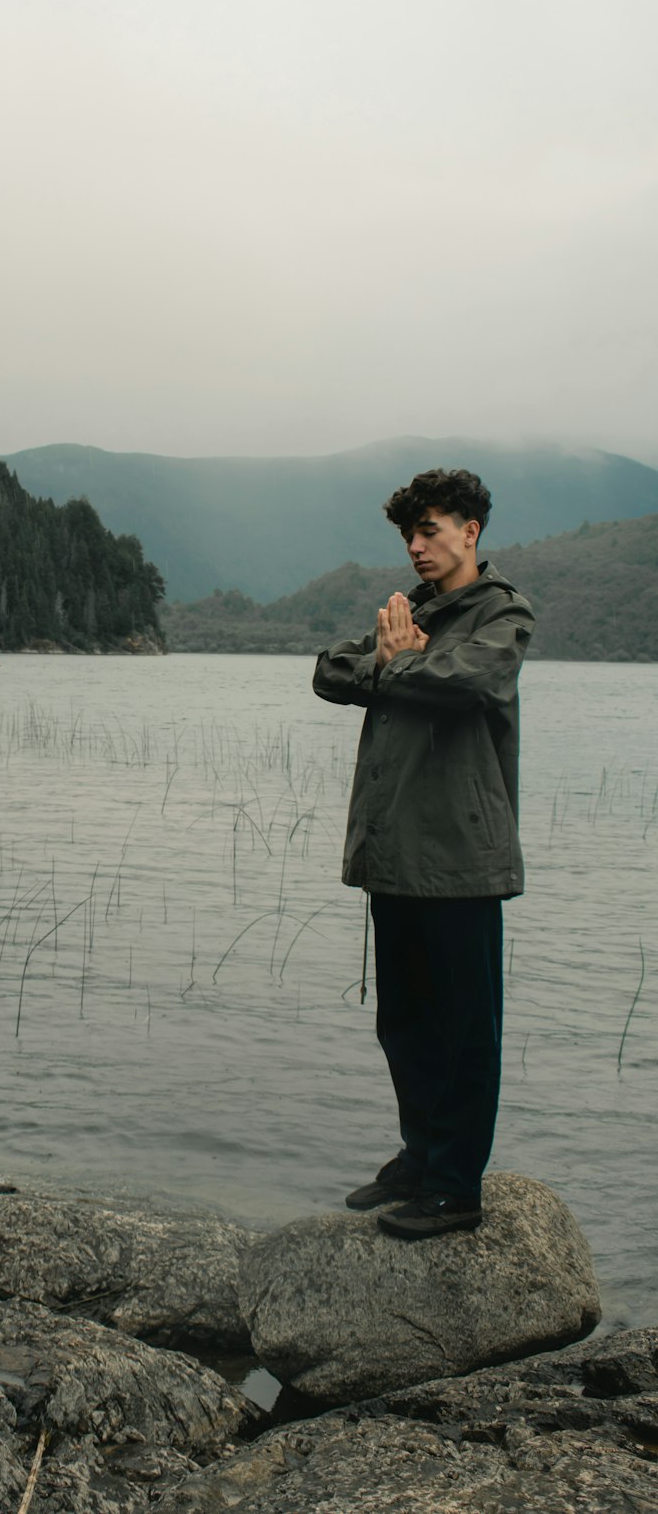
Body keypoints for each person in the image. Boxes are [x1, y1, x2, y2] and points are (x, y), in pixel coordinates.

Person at [312, 468, 535, 1239]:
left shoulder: (499, 615)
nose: (415, 546)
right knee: (404, 1021)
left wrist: (396, 663)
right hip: (397, 856)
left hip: (461, 861)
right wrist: (392, 659)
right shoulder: (414, 615)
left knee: (464, 1029)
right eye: (409, 534)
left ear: (471, 530)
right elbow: (327, 670)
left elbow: (465, 680)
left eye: (430, 530)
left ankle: (455, 1186)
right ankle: (419, 1156)